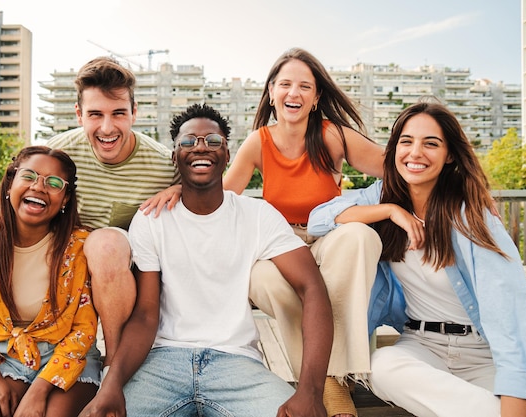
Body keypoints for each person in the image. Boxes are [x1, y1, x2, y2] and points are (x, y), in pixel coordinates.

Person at [0, 56, 179, 412]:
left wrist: (182, 191)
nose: (107, 126)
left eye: (118, 113)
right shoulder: (63, 149)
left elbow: (210, 195)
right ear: (79, 114)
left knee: (106, 244)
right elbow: (29, 185)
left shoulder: (163, 163)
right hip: (65, 264)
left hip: (119, 271)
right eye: (95, 114)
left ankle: (115, 366)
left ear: (135, 111)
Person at [143, 47, 385, 417]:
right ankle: (326, 380)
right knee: (262, 279)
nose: (294, 93)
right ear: (271, 92)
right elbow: (222, 191)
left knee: (360, 237)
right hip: (283, 242)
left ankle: (338, 376)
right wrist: (183, 187)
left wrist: (417, 202)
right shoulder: (259, 141)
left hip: (330, 236)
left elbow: (396, 169)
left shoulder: (332, 135)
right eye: (285, 84)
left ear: (317, 97)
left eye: (305, 86)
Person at [79, 103, 334, 417]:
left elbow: (313, 288)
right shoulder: (152, 220)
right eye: (188, 142)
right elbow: (146, 316)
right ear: (176, 156)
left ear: (227, 155)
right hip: (162, 363)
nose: (200, 147)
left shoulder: (257, 216)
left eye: (213, 141)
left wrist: (310, 391)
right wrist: (112, 384)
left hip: (237, 365)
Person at [308, 100, 526, 417]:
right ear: (394, 149)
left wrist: (517, 402)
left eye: (431, 143)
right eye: (406, 141)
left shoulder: (471, 215)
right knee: (381, 366)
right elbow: (318, 219)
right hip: (422, 345)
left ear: (450, 155)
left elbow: (510, 314)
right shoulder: (382, 196)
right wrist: (390, 211)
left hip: (483, 353)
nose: (415, 153)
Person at [0, 146, 100, 417]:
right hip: (6, 356)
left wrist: (38, 391)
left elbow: (84, 330)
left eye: (54, 183)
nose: (39, 187)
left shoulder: (79, 247)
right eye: (29, 176)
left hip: (68, 357)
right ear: (10, 184)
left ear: (66, 198)